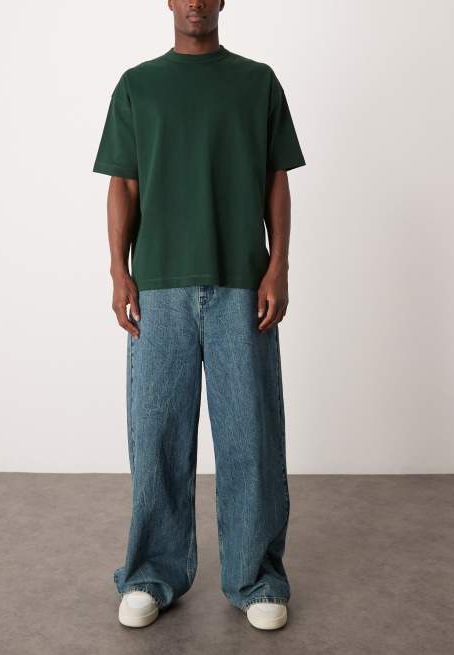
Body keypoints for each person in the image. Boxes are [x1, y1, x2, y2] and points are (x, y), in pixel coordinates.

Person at [92, 0, 305, 631]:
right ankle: (150, 575)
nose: (194, 2)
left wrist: (277, 266)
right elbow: (123, 183)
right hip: (158, 287)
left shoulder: (257, 82)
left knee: (250, 437)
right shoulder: (138, 85)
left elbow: (276, 178)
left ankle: (257, 578)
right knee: (157, 435)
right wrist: (119, 270)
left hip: (242, 282)